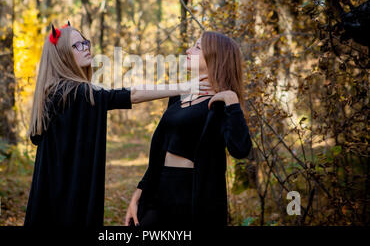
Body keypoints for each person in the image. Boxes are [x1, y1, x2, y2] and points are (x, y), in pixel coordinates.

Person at [24, 22, 210, 227]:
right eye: (77, 46)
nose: (85, 48)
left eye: (85, 43)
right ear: (62, 55)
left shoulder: (52, 92)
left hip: (51, 191)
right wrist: (183, 87)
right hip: (66, 195)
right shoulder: (79, 93)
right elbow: (133, 95)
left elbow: (36, 137)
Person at [125, 31, 252, 228]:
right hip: (159, 190)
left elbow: (241, 149)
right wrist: (138, 194)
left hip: (192, 197)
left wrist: (231, 100)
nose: (188, 50)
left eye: (197, 47)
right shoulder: (180, 96)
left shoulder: (221, 103)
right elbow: (160, 150)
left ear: (216, 57)